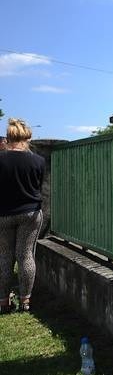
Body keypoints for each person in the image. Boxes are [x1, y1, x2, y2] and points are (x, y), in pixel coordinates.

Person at [0, 119, 45, 314]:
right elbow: (38, 186)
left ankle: (3, 301)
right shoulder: (38, 160)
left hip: (3, 214)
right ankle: (25, 301)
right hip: (30, 213)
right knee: (25, 254)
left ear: (8, 138)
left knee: (4, 256)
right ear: (28, 138)